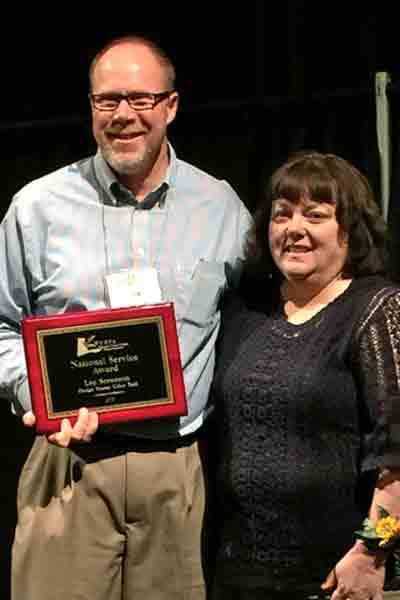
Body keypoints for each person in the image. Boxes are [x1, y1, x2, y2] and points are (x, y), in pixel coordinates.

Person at [0, 35, 251, 600]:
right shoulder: (37, 207)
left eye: (140, 99)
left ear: (171, 106)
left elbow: (256, 319)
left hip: (176, 470)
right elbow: (1, 324)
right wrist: (34, 392)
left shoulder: (221, 208)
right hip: (70, 466)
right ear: (90, 108)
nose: (123, 116)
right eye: (107, 101)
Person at [211, 151, 400, 600]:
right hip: (240, 574)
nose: (294, 228)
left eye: (315, 215)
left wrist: (372, 551)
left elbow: (397, 453)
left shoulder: (376, 309)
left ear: (349, 231)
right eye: (282, 215)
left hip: (338, 576)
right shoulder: (246, 310)